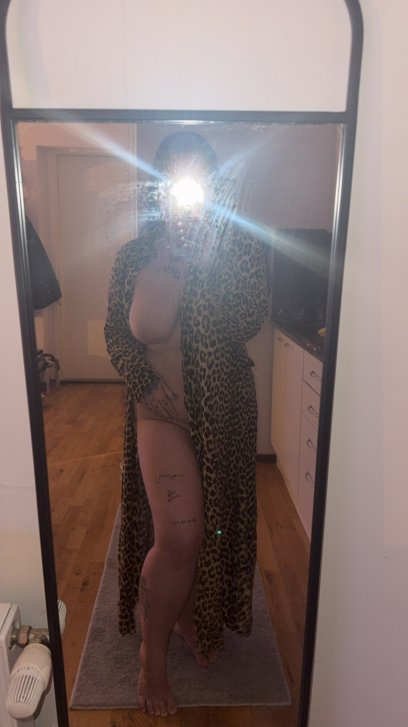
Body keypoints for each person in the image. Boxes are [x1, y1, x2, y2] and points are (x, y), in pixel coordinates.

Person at [104, 131, 269, 717]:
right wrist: (145, 383)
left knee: (211, 530)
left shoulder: (240, 248)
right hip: (160, 413)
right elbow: (117, 334)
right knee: (180, 535)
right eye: (175, 179)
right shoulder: (133, 257)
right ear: (159, 189)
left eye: (198, 178)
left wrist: (207, 265)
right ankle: (151, 657)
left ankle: (187, 616)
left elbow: (248, 321)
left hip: (223, 415)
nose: (186, 193)